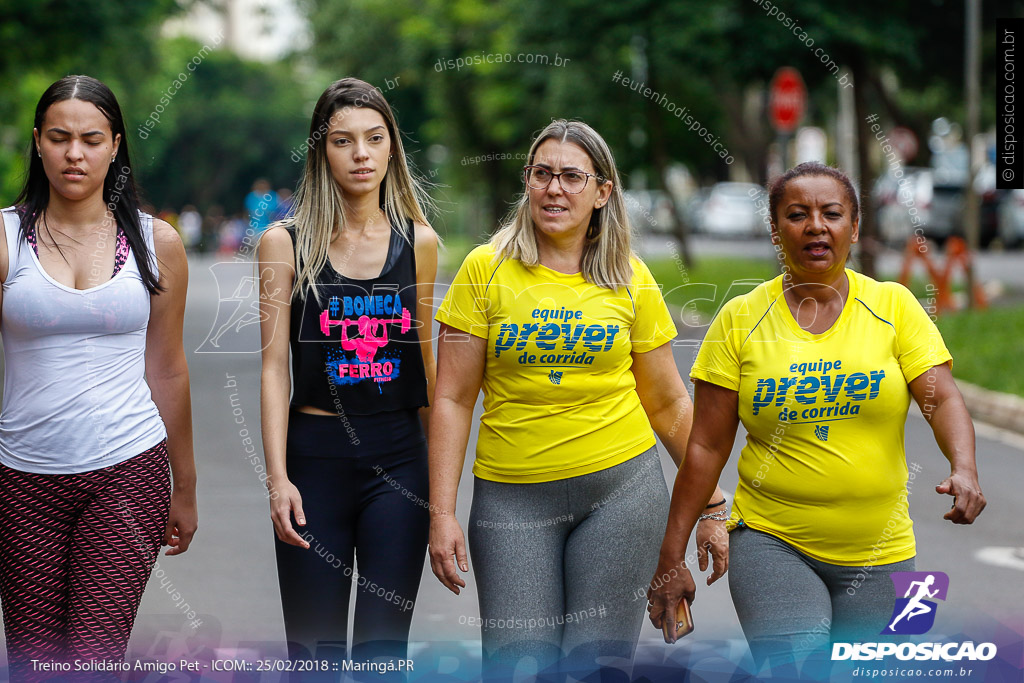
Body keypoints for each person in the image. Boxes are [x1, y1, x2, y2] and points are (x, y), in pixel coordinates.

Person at [647, 162, 986, 673]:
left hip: (883, 551)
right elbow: (706, 447)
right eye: (797, 214)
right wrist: (670, 557)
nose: (815, 226)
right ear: (776, 229)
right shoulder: (741, 319)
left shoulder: (893, 307)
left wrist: (964, 466)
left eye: (831, 213)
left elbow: (941, 399)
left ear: (855, 226)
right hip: (772, 543)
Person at [429, 119, 728, 680]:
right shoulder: (485, 270)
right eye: (541, 174)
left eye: (572, 176)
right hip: (512, 500)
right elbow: (452, 399)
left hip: (622, 493)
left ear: (602, 192)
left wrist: (711, 503)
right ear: (527, 183)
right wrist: (441, 512)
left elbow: (667, 405)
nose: (555, 189)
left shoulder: (630, 279)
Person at [0, 75, 197, 680]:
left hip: (127, 472)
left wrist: (183, 485)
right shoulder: (6, 236)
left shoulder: (155, 241)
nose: (74, 154)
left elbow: (166, 366)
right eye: (59, 138)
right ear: (38, 143)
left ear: (115, 145)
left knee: (93, 659)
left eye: (90, 139)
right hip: (21, 479)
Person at [258, 77, 438, 674]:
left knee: (383, 656)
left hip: (399, 464)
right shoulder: (283, 244)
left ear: (392, 149)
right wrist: (278, 478)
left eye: (374, 138)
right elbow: (273, 366)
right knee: (314, 659)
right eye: (343, 140)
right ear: (321, 151)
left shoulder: (421, 243)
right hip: (313, 463)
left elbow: (434, 379)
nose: (360, 154)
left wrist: (442, 501)